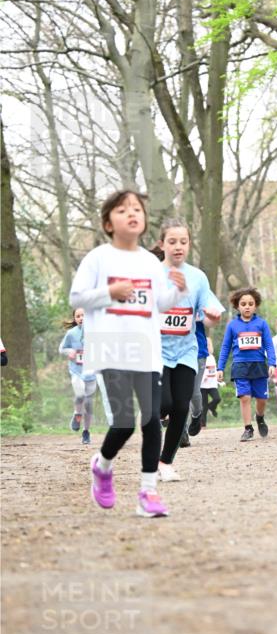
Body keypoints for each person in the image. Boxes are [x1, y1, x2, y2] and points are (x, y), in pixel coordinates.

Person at [69, 190, 187, 517]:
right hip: (109, 347)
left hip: (145, 349)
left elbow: (158, 304)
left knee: (151, 419)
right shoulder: (98, 259)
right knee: (124, 424)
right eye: (123, 210)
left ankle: (148, 493)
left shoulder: (149, 261)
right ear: (109, 223)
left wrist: (175, 290)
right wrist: (110, 292)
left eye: (137, 209)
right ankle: (103, 465)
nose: (132, 213)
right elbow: (77, 297)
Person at [153, 219, 222, 480]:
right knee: (165, 404)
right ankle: (151, 410)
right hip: (156, 351)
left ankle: (165, 463)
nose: (178, 246)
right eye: (172, 241)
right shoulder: (152, 274)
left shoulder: (198, 277)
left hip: (186, 351)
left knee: (181, 406)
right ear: (162, 244)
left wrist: (212, 318)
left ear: (189, 244)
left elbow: (207, 316)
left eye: (183, 241)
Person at [217, 287, 276, 442]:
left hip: (258, 365)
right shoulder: (232, 325)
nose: (247, 306)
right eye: (243, 304)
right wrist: (220, 368)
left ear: (255, 305)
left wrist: (272, 363)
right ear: (237, 306)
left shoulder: (262, 324)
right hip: (240, 365)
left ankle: (260, 417)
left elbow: (269, 345)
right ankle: (248, 428)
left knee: (261, 399)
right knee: (245, 397)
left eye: (251, 303)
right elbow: (225, 347)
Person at [58, 308, 97, 445]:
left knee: (89, 403)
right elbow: (61, 348)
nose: (81, 318)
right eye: (78, 316)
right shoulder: (71, 333)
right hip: (76, 370)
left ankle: (86, 432)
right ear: (75, 319)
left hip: (92, 372)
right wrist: (69, 351)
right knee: (80, 394)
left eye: (84, 315)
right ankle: (77, 414)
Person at [187, 319, 210, 437]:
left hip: (198, 352)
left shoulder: (200, 300)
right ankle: (182, 434)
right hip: (175, 352)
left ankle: (196, 414)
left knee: (192, 391)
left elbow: (212, 320)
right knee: (179, 392)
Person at [200, 337, 222, 426]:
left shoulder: (212, 357)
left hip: (212, 384)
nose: (208, 347)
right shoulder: (202, 357)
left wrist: (218, 377)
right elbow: (200, 370)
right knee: (203, 406)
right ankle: (203, 424)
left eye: (209, 345)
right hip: (202, 385)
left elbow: (214, 369)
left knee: (217, 398)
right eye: (206, 345)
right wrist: (203, 378)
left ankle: (211, 407)